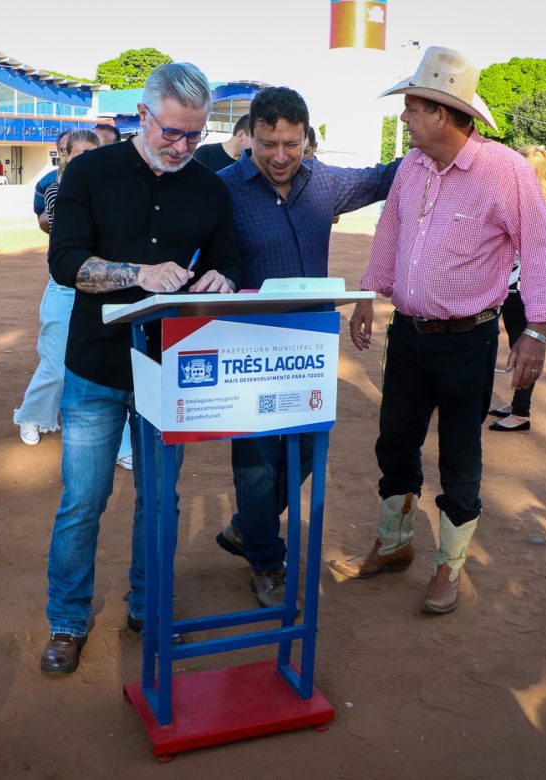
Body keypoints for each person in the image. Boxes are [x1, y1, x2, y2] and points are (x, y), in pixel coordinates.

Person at [330, 47, 546, 615]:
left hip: (467, 340)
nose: (404, 117)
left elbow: (539, 248)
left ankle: (448, 566)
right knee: (394, 442)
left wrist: (535, 330)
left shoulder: (504, 170)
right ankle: (394, 544)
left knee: (460, 454)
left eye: (412, 108)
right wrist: (367, 294)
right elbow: (390, 230)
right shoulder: (412, 167)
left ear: (440, 113)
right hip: (408, 336)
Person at [40, 62, 243, 675]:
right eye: (172, 132)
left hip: (167, 367)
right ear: (142, 116)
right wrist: (138, 275)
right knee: (83, 499)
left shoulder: (209, 187)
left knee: (159, 499)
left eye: (195, 135)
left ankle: (148, 605)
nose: (182, 147)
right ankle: (67, 621)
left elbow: (231, 257)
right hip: (95, 366)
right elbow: (65, 262)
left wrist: (222, 277)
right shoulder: (90, 172)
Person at [213, 86, 399, 608]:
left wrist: (450, 141)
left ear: (306, 140)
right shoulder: (222, 190)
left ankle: (246, 527)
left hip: (309, 351)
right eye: (268, 144)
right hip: (246, 350)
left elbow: (384, 176)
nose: (280, 156)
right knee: (257, 460)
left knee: (308, 449)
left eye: (291, 144)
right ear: (248, 138)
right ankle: (266, 561)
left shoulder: (325, 183)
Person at [13, 129, 101, 445]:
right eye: (82, 154)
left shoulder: (112, 186)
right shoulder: (53, 187)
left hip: (104, 285)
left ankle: (118, 442)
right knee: (56, 364)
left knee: (105, 367)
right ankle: (33, 416)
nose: (90, 161)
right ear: (65, 154)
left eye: (95, 154)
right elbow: (51, 222)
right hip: (66, 286)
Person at [489, 145, 546, 433]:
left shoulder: (531, 206)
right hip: (512, 284)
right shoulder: (536, 202)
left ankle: (521, 412)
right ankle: (516, 406)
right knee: (514, 344)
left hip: (519, 287)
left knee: (522, 347)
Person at [34, 131, 70, 235]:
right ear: (58, 152)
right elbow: (41, 218)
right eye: (64, 149)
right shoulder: (45, 184)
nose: (69, 153)